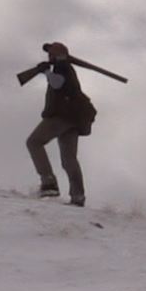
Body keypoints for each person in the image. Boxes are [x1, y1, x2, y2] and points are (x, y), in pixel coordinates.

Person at [25, 42, 95, 206]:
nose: (49, 56)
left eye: (51, 53)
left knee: (34, 142)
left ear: (56, 54)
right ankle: (78, 196)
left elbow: (58, 83)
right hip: (73, 119)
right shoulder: (65, 67)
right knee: (69, 159)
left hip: (62, 117)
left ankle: (48, 182)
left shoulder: (62, 67)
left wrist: (46, 72)